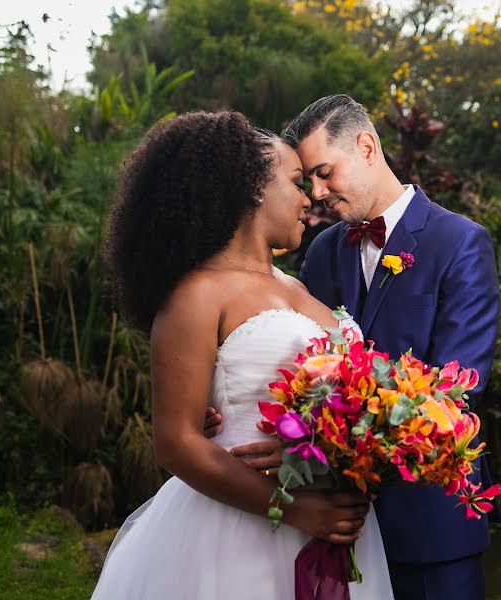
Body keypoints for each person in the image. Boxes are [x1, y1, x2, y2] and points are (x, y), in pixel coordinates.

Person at [92, 110, 393, 599]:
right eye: (297, 182)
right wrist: (296, 510)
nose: (309, 198)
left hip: (343, 526)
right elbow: (175, 443)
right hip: (246, 530)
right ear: (253, 188)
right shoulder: (197, 294)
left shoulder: (300, 286)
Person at [220, 95, 501, 600]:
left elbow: (456, 395)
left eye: (325, 173)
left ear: (367, 146)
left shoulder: (461, 243)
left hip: (431, 521)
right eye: (308, 181)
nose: (319, 193)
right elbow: (299, 364)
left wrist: (310, 446)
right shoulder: (324, 251)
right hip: (335, 525)